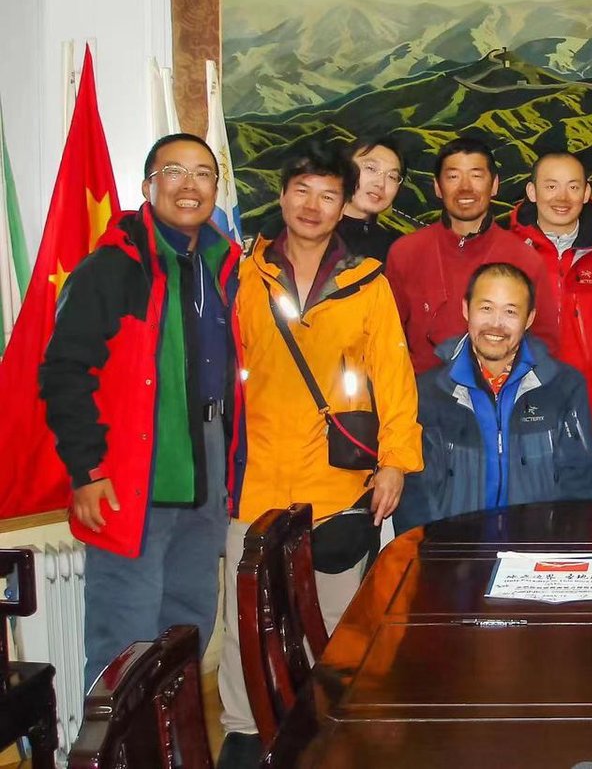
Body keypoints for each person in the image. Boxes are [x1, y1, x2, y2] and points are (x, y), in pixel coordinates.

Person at [217, 142, 423, 767]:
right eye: (302, 190)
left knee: (330, 620)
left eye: (328, 194)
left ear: (344, 207)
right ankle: (244, 732)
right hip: (256, 476)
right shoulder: (243, 274)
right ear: (282, 196)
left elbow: (393, 373)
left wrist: (394, 460)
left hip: (337, 481)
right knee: (245, 616)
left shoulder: (365, 282)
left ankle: (326, 728)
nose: (313, 205)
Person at [40, 132, 243, 690]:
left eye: (203, 173)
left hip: (204, 477)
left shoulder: (223, 267)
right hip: (130, 477)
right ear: (148, 186)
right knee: (122, 649)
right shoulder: (113, 267)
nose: (189, 185)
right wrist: (87, 471)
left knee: (187, 634)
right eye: (173, 172)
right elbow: (62, 373)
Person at [392, 262, 592, 530]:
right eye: (486, 308)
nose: (496, 324)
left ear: (529, 318)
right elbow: (416, 493)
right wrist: (437, 557)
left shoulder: (563, 386)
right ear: (466, 309)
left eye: (511, 312)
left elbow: (581, 485)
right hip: (454, 556)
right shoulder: (429, 392)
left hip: (537, 554)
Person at [384, 136, 558, 375]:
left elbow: (545, 342)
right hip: (421, 400)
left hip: (499, 401)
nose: (465, 187)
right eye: (453, 176)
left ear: (494, 184)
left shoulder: (523, 259)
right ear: (437, 186)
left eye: (476, 176)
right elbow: (386, 339)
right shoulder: (406, 253)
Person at [510, 152, 592, 454]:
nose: (562, 197)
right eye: (551, 186)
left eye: (573, 186)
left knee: (588, 501)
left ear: (586, 192)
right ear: (532, 192)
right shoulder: (508, 253)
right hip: (523, 417)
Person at [339, 134, 405, 260]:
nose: (381, 183)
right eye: (371, 168)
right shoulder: (306, 228)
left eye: (392, 176)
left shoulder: (396, 250)